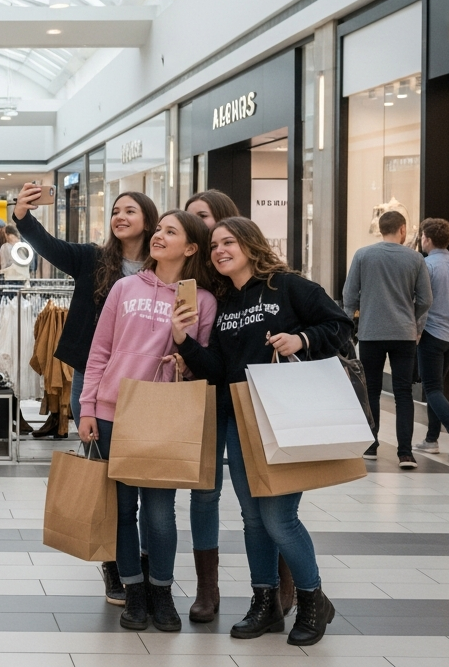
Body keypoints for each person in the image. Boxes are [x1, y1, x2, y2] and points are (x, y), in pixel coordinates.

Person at [173, 217, 354, 647]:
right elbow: (218, 369)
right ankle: (265, 602)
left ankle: (312, 600)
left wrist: (301, 340)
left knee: (278, 517)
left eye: (228, 241)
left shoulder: (287, 287)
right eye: (214, 245)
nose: (219, 250)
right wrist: (183, 344)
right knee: (253, 518)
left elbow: (342, 326)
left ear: (252, 245)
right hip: (240, 418)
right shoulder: (226, 304)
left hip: (285, 416)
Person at [79, 210, 218, 633]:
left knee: (159, 513)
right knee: (121, 510)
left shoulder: (201, 301)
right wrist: (87, 407)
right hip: (112, 412)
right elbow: (100, 350)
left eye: (170, 232)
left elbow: (202, 366)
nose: (158, 236)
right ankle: (133, 591)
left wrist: (183, 344)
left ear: (190, 248)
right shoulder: (124, 287)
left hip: (162, 415)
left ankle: (162, 590)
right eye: (159, 230)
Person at [13, 185, 156, 592]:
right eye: (115, 210)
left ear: (148, 219)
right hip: (92, 380)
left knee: (144, 477)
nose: (120, 216)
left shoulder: (163, 266)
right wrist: (22, 215)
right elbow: (49, 246)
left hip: (145, 386)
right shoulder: (94, 260)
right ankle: (113, 562)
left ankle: (144, 560)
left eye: (130, 210)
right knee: (103, 474)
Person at [180, 189, 248, 622]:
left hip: (245, 396)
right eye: (192, 219)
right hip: (202, 394)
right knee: (203, 492)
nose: (200, 227)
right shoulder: (191, 276)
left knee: (255, 491)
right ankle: (208, 589)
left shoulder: (246, 274)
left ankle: (280, 582)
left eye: (203, 217)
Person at [342, 210, 432, 468]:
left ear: (380, 229)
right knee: (404, 393)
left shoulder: (363, 255)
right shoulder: (415, 258)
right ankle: (405, 453)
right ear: (402, 229)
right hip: (403, 334)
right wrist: (411, 320)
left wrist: (350, 326)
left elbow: (349, 296)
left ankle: (371, 444)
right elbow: (426, 299)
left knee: (370, 389)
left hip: (370, 333)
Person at [413, 218, 449, 462]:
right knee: (436, 386)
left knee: (432, 388)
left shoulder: (426, 266)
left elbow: (422, 303)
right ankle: (430, 439)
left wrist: (416, 331)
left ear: (426, 239)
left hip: (432, 334)